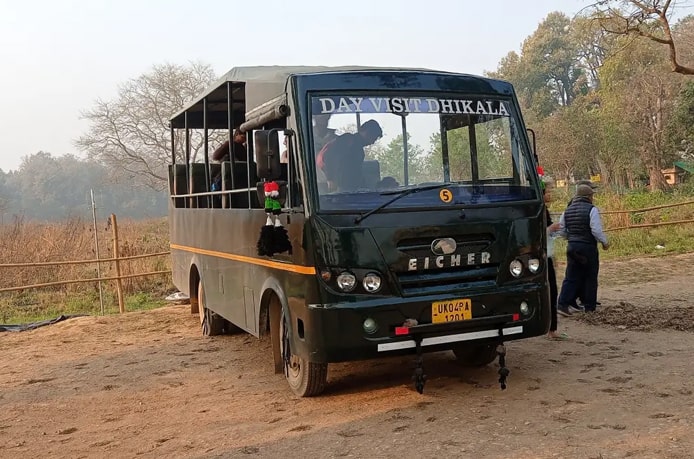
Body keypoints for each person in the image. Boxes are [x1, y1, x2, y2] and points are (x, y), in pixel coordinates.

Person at [556, 184, 609, 316]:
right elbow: (596, 230)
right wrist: (604, 242)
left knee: (571, 276)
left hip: (572, 246)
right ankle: (589, 307)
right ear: (589, 196)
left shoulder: (566, 210)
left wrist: (571, 238)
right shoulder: (592, 209)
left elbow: (561, 230)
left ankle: (562, 304)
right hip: (587, 247)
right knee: (590, 277)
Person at [317, 119, 382, 191]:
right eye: (373, 138)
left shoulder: (358, 149)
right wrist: (330, 179)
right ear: (367, 133)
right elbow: (329, 156)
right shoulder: (348, 140)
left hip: (351, 187)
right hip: (340, 186)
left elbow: (356, 171)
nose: (372, 142)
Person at [543, 178, 568, 340]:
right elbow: (537, 233)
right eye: (548, 191)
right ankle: (551, 330)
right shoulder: (539, 211)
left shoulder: (543, 210)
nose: (550, 195)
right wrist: (550, 228)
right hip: (543, 257)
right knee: (551, 292)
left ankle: (551, 328)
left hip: (548, 255)